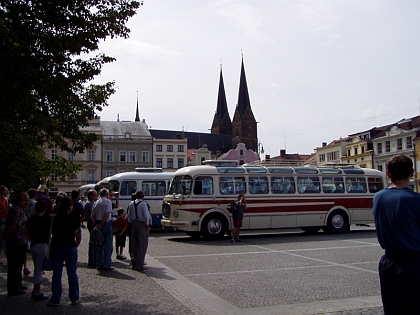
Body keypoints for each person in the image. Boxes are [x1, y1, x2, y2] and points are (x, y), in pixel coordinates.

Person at [373, 154, 420, 315]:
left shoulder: (378, 198)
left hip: (388, 262)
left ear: (388, 174)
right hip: (412, 262)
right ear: (411, 172)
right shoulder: (415, 200)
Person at [48, 196, 81, 306]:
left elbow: (51, 232)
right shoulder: (74, 219)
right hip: (70, 246)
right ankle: (74, 297)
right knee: (72, 273)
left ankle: (56, 298)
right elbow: (78, 235)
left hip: (57, 246)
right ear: (70, 207)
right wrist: (76, 244)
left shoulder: (54, 218)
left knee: (57, 274)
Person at [1, 192, 29, 295]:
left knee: (17, 265)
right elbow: (13, 226)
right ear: (19, 201)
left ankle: (17, 284)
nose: (26, 202)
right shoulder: (17, 210)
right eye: (25, 200)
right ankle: (14, 287)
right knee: (15, 266)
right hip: (16, 241)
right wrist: (4, 235)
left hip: (17, 241)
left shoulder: (17, 209)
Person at [24, 200, 50, 301]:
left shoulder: (31, 219)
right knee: (39, 269)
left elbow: (25, 232)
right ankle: (37, 291)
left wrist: (32, 240)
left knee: (37, 267)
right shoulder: (45, 220)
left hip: (34, 245)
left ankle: (36, 289)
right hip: (42, 245)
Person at [90, 188, 114, 271]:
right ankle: (107, 264)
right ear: (106, 194)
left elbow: (92, 216)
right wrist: (101, 224)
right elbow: (107, 214)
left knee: (99, 245)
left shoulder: (96, 202)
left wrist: (96, 224)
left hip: (97, 222)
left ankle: (99, 264)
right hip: (106, 223)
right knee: (107, 246)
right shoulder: (108, 202)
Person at [127, 190, 149, 271]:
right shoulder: (143, 204)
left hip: (133, 224)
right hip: (141, 223)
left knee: (134, 244)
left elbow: (129, 216)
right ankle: (140, 263)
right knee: (142, 244)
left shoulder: (131, 203)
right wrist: (147, 224)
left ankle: (135, 262)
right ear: (143, 196)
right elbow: (146, 216)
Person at [83, 189, 98, 267]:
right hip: (92, 223)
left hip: (91, 223)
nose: (96, 196)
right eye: (95, 195)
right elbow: (90, 216)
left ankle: (93, 259)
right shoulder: (89, 204)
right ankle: (92, 260)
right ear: (91, 196)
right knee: (93, 242)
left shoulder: (91, 203)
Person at [0, 185, 10, 264]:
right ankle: (8, 256)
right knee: (2, 240)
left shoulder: (6, 199)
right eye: (5, 190)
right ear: (2, 191)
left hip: (5, 220)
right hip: (0, 220)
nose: (7, 192)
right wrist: (6, 209)